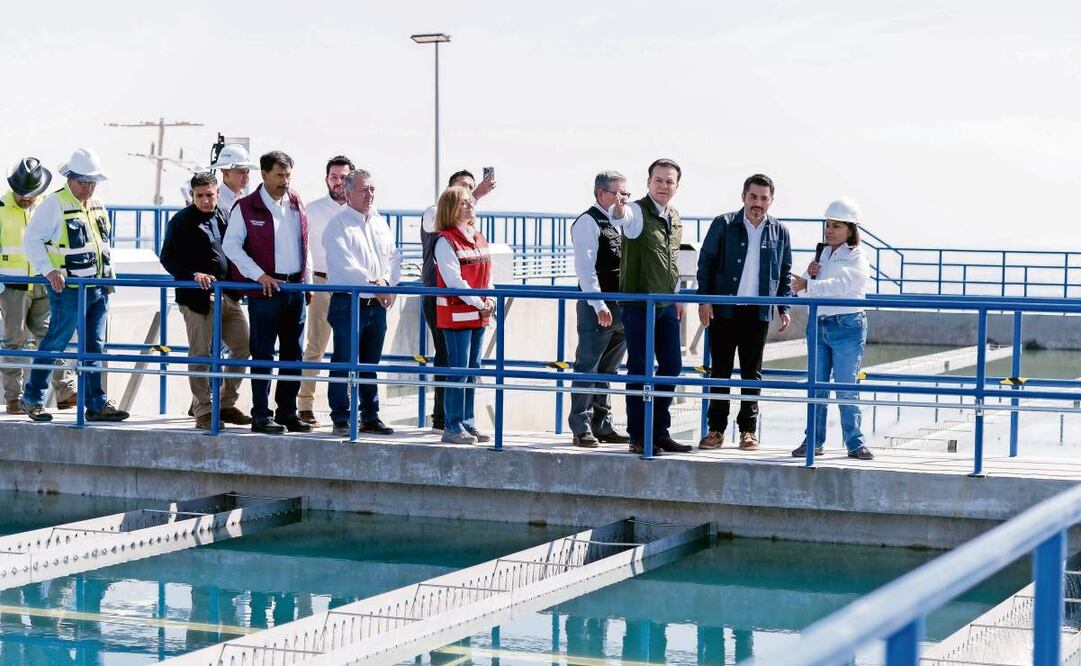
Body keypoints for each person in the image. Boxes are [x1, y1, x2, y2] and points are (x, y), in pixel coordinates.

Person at [20, 148, 128, 422]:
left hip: (98, 288)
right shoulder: (53, 205)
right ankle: (32, 398)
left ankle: (96, 403)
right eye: (83, 182)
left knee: (95, 346)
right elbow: (31, 240)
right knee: (56, 341)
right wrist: (49, 270)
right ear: (69, 178)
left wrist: (108, 278)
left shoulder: (96, 203)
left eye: (92, 182)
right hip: (67, 289)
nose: (88, 188)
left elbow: (102, 244)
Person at [696, 173, 792, 451]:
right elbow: (707, 263)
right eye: (753, 197)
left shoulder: (779, 231)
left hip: (757, 313)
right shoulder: (723, 224)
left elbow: (784, 272)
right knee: (720, 371)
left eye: (764, 198)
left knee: (752, 374)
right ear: (743, 197)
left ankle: (748, 431)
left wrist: (783, 307)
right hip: (724, 310)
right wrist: (705, 300)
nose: (757, 203)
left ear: (771, 201)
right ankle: (715, 429)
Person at [222, 150, 312, 434]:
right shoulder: (246, 207)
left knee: (293, 355)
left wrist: (305, 282)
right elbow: (230, 246)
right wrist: (259, 275)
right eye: (279, 175)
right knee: (262, 355)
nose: (285, 181)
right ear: (264, 174)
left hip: (294, 290)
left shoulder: (297, 203)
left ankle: (287, 412)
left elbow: (304, 245)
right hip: (265, 292)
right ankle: (261, 414)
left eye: (288, 175)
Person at [609, 158, 693, 455]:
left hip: (667, 303)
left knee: (672, 366)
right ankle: (639, 436)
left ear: (677, 186)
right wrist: (618, 208)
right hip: (639, 303)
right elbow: (622, 218)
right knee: (640, 368)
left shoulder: (675, 216)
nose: (663, 186)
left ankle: (659, 431)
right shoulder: (636, 211)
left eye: (669, 181)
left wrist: (677, 295)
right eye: (658, 180)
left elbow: (671, 262)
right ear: (648, 183)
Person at [159, 171, 252, 430]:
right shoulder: (181, 221)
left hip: (228, 295)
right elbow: (167, 257)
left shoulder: (225, 217)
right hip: (196, 299)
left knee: (242, 346)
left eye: (209, 195)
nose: (205, 200)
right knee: (201, 353)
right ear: (192, 196)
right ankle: (203, 409)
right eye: (199, 195)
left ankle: (224, 402)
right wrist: (192, 274)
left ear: (217, 194)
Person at [790, 198, 874, 460]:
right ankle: (813, 441)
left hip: (847, 325)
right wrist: (811, 275)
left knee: (846, 386)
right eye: (827, 225)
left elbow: (842, 285)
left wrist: (809, 284)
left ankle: (855, 443)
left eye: (836, 226)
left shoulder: (858, 256)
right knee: (816, 386)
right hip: (819, 323)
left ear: (851, 229)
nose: (829, 230)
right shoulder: (823, 254)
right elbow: (801, 290)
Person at [322, 169, 398, 438]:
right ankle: (340, 418)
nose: (370, 195)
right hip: (349, 303)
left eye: (372, 189)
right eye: (364, 190)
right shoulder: (338, 224)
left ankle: (370, 415)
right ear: (348, 193)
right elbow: (344, 265)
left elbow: (394, 257)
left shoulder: (378, 223)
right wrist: (374, 285)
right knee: (343, 360)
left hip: (376, 306)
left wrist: (388, 283)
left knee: (370, 363)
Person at [0, 158, 77, 414]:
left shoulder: (47, 206)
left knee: (51, 336)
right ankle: (14, 398)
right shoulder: (1, 208)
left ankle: (65, 390)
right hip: (12, 287)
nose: (26, 197)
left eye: (31, 193)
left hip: (44, 282)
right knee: (14, 342)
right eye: (22, 192)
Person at [420, 169, 495, 431]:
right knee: (458, 370)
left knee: (473, 370)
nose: (471, 205)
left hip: (477, 313)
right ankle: (452, 425)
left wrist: (490, 298)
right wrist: (480, 301)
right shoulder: (446, 240)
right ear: (452, 208)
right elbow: (454, 281)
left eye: (471, 202)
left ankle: (467, 421)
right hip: (456, 314)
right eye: (464, 202)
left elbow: (486, 274)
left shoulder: (477, 236)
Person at [567, 170, 631, 448]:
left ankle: (602, 423)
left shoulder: (621, 222)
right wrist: (598, 303)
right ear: (601, 194)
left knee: (608, 369)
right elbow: (585, 268)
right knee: (587, 366)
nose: (623, 198)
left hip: (622, 308)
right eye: (618, 193)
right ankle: (581, 426)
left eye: (625, 193)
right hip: (600, 307)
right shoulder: (588, 222)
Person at [297, 155, 354, 426]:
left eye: (344, 177)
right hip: (320, 282)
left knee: (350, 350)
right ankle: (304, 405)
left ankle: (353, 408)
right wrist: (306, 283)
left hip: (352, 287)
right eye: (334, 177)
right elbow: (304, 249)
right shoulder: (313, 209)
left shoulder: (361, 210)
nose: (339, 182)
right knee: (315, 347)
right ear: (326, 179)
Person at [209, 144, 259, 218]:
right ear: (225, 173)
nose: (246, 176)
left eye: (247, 171)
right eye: (241, 172)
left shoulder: (244, 197)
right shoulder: (215, 201)